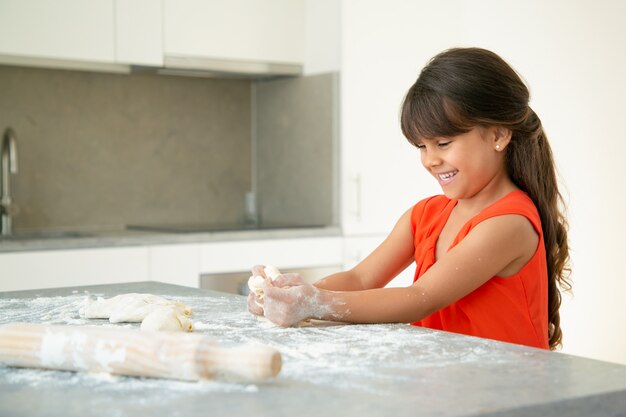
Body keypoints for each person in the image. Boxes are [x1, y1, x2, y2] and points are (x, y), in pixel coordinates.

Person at [248, 47, 571, 350]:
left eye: (443, 143)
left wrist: (314, 303)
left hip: (510, 396)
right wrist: (289, 297)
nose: (430, 160)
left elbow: (421, 297)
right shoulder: (425, 215)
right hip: (447, 389)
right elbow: (360, 278)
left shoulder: (509, 223)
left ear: (499, 135)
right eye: (421, 146)